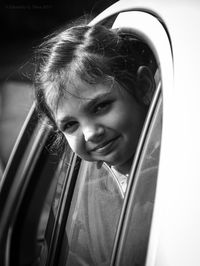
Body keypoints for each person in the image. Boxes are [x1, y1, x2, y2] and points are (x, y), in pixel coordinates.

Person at [34, 21, 158, 265]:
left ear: (143, 87)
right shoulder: (88, 185)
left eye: (101, 106)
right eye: (70, 125)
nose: (90, 134)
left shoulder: (181, 167)